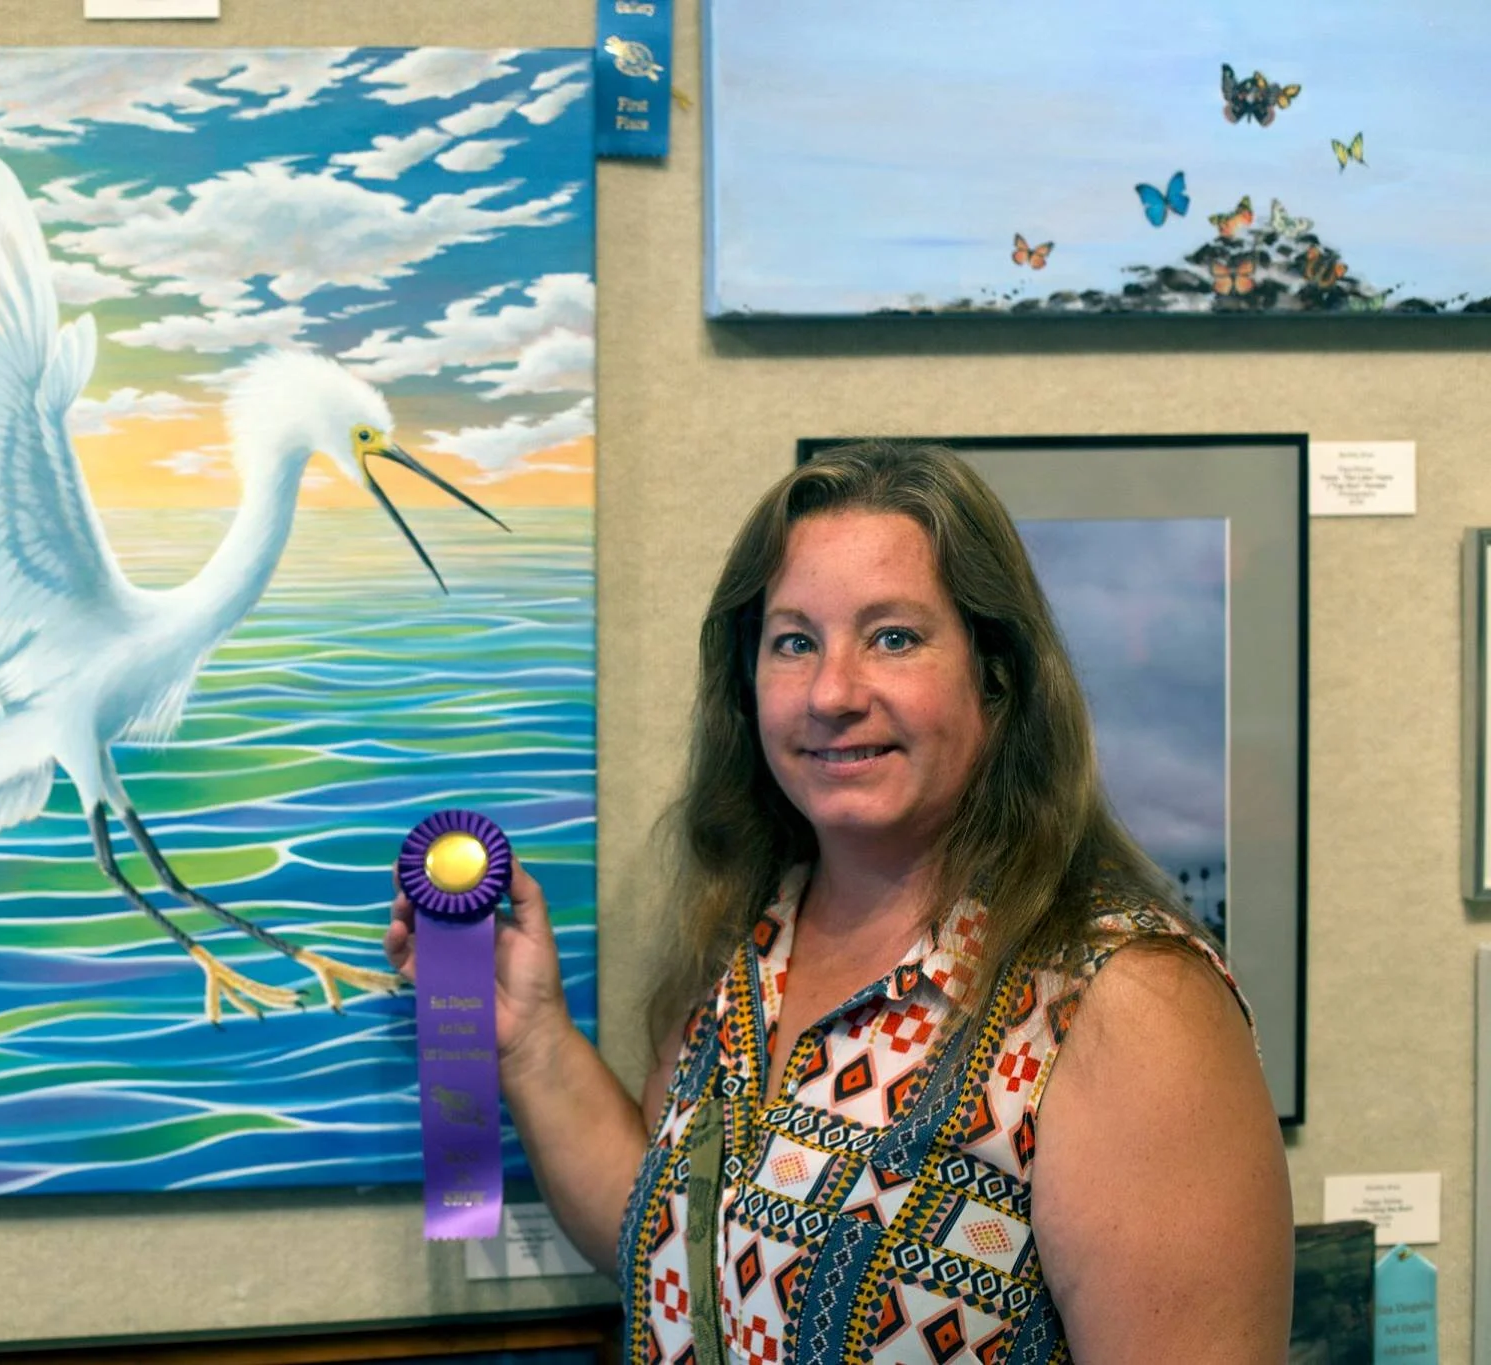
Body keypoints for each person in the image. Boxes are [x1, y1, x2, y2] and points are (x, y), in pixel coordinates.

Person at [385, 440, 1292, 1362]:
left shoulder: (1125, 1007)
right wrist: (532, 1041)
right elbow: (694, 1253)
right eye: (795, 642)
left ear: (997, 674)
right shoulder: (746, 943)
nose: (832, 692)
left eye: (893, 636)